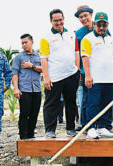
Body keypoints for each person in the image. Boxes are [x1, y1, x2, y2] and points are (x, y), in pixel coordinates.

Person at [40, 9, 80, 138]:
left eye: (60, 19)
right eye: (55, 20)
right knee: (52, 103)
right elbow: (44, 58)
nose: (59, 22)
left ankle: (71, 128)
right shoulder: (46, 38)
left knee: (71, 102)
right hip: (54, 77)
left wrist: (77, 69)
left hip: (71, 74)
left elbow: (76, 53)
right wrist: (46, 77)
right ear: (51, 21)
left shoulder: (71, 35)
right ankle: (50, 130)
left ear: (64, 19)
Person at [81, 12, 113, 139]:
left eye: (104, 25)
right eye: (99, 25)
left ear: (107, 25)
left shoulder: (110, 39)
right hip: (95, 79)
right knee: (93, 103)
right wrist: (87, 75)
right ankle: (91, 128)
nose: (102, 27)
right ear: (94, 24)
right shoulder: (87, 39)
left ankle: (104, 127)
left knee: (107, 103)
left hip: (109, 79)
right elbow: (85, 58)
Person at [74, 5, 112, 131]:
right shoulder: (79, 35)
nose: (84, 19)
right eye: (80, 17)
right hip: (87, 72)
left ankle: (104, 126)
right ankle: (86, 125)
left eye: (86, 15)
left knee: (104, 100)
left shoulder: (106, 32)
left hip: (104, 75)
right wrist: (80, 71)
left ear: (91, 16)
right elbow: (78, 54)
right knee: (87, 100)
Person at [11, 34, 42, 140]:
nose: (24, 45)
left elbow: (43, 69)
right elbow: (14, 73)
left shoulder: (39, 56)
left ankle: (31, 134)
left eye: (26, 42)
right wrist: (16, 88)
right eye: (22, 43)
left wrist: (32, 66)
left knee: (35, 113)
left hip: (36, 89)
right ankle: (23, 136)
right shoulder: (19, 57)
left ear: (32, 42)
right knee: (24, 113)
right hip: (24, 89)